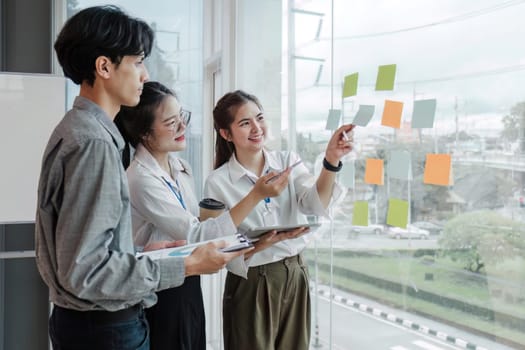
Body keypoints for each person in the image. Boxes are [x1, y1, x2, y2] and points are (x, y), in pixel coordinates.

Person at [35, 6, 248, 350]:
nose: (145, 75)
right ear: (104, 67)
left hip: (89, 324)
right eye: (137, 62)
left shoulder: (75, 130)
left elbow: (78, 255)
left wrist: (138, 253)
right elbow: (87, 273)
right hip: (106, 329)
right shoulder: (93, 143)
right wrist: (187, 265)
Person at [114, 81, 305, 349]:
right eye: (171, 123)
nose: (183, 127)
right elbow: (197, 235)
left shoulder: (181, 167)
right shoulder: (139, 179)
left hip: (188, 283)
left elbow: (202, 230)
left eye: (182, 117)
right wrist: (255, 196)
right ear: (145, 133)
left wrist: (257, 243)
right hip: (160, 289)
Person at [203, 90, 354, 350]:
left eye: (259, 118)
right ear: (226, 134)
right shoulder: (217, 182)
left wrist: (331, 161)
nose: (256, 128)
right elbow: (215, 245)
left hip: (295, 272)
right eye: (244, 123)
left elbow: (314, 203)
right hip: (251, 280)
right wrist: (258, 245)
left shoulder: (287, 161)